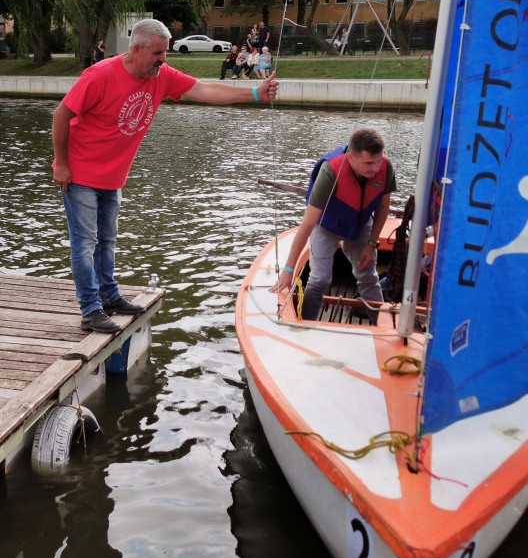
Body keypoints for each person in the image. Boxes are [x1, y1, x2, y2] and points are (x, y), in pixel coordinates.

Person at [52, 18, 278, 332]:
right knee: (85, 243)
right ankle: (90, 310)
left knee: (107, 241)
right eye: (158, 53)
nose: (164, 60)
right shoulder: (100, 75)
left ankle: (110, 296)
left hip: (113, 176)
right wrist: (60, 164)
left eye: (166, 53)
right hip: (80, 174)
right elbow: (62, 114)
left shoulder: (162, 76)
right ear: (136, 49)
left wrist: (255, 92)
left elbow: (205, 89)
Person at [273, 128, 395, 321]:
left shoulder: (385, 168)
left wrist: (372, 245)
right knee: (320, 279)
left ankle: (380, 324)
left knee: (368, 277)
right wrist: (288, 270)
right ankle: (307, 323)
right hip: (326, 226)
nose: (375, 168)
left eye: (379, 161)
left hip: (360, 223)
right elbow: (307, 225)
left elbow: (383, 206)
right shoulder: (330, 172)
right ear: (352, 158)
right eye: (369, 163)